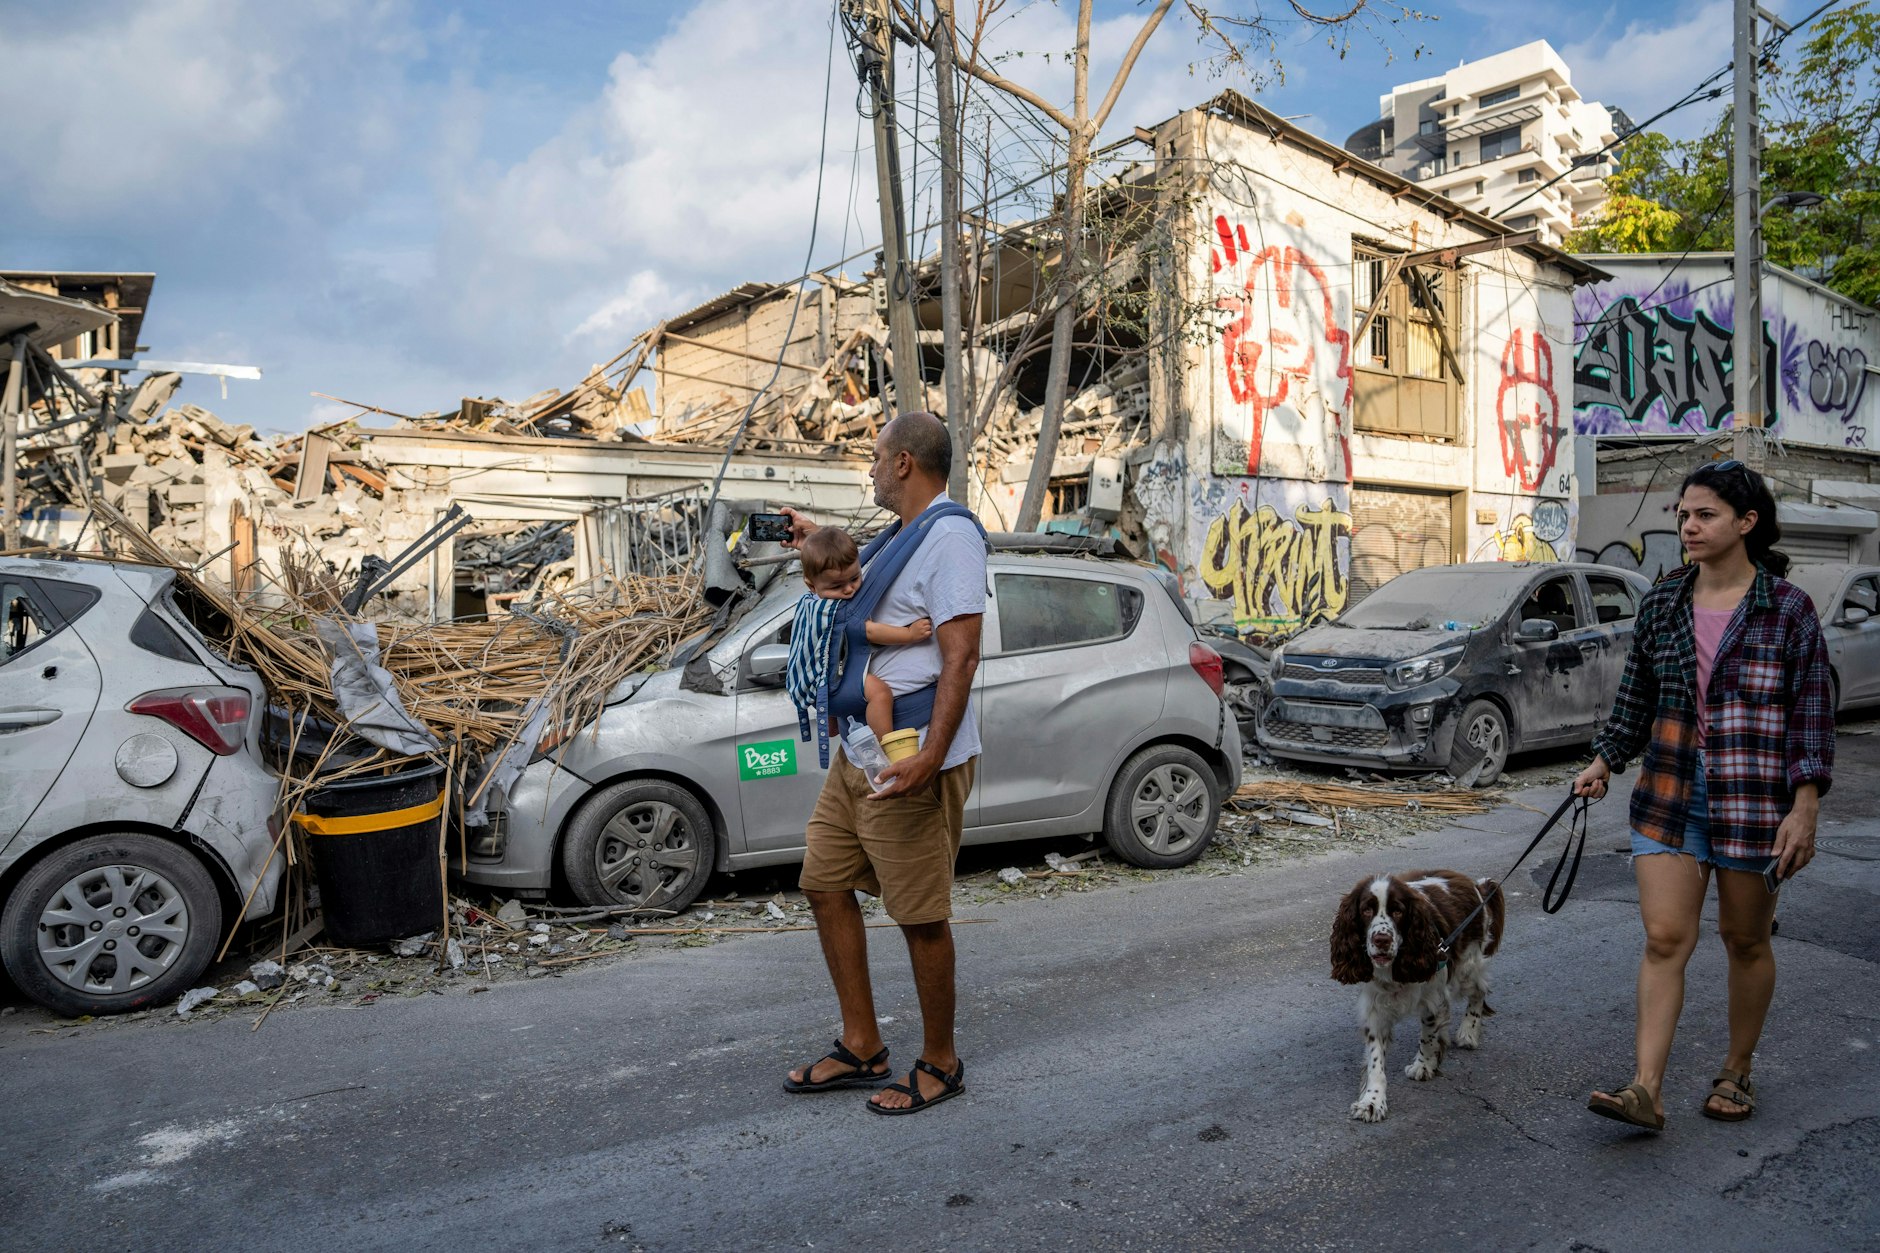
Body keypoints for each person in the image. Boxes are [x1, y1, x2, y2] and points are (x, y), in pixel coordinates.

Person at [1576, 459, 1834, 1131]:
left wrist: (1804, 808)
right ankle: (1645, 1087)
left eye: (1705, 514)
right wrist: (1605, 759)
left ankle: (1737, 1068)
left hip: (1755, 805)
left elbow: (1810, 714)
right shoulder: (1662, 601)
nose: (1688, 526)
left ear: (1746, 522)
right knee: (1665, 937)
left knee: (1744, 939)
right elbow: (1637, 696)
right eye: (1683, 514)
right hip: (1669, 793)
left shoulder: (1788, 610)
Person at [777, 412, 987, 1115]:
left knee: (919, 913)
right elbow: (853, 586)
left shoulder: (952, 537)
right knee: (823, 881)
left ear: (903, 462)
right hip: (859, 752)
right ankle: (863, 1043)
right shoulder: (899, 537)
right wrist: (814, 538)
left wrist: (930, 756)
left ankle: (941, 1061)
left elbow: (960, 653)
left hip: (908, 754)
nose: (868, 470)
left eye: (873, 459)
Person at [784, 525, 933, 756]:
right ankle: (887, 745)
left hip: (814, 688)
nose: (849, 589)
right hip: (832, 692)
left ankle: (832, 721)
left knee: (828, 659)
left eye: (855, 578)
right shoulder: (838, 611)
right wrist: (910, 634)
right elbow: (871, 632)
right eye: (836, 586)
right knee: (880, 693)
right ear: (812, 585)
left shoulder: (809, 603)